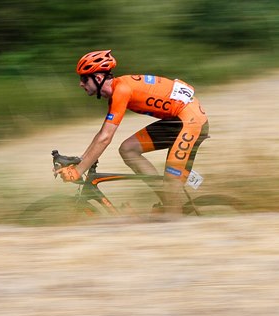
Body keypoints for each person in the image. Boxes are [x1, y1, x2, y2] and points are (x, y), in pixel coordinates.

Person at [56, 49, 209, 214]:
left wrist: (78, 171)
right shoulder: (119, 90)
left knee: (171, 184)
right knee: (128, 149)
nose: (81, 84)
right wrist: (81, 161)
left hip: (192, 122)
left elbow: (105, 138)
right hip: (178, 120)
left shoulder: (121, 91)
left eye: (84, 79)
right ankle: (168, 203)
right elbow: (102, 134)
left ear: (98, 78)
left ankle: (174, 215)